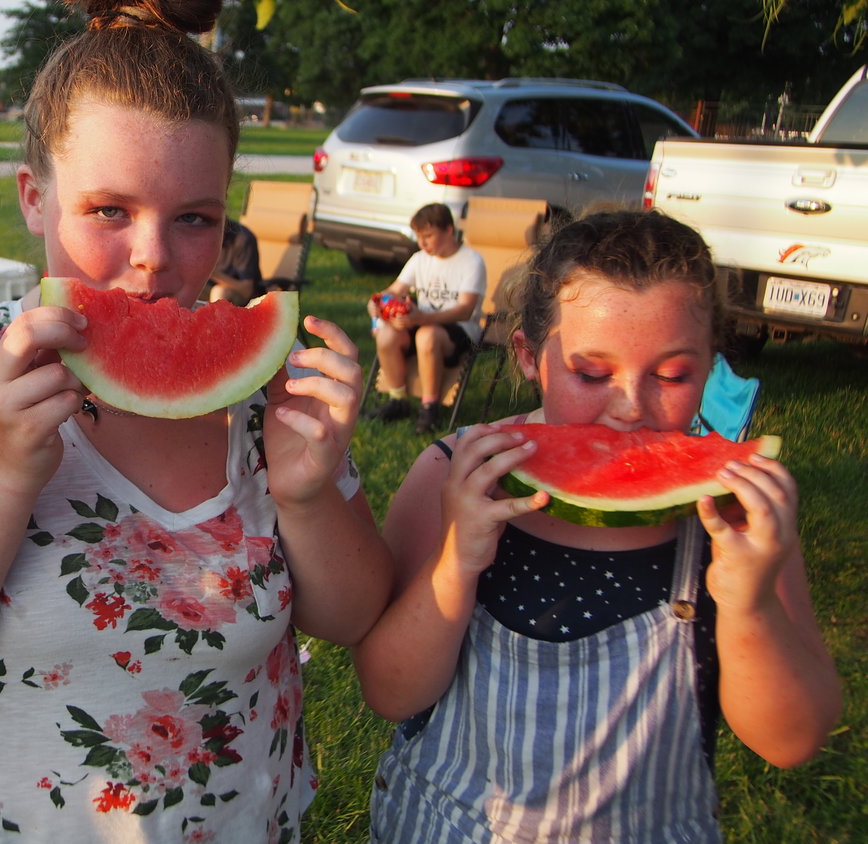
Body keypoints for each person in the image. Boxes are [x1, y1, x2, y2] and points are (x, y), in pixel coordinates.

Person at [0, 0, 393, 839]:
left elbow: (350, 620)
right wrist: (1, 473)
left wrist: (310, 494)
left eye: (195, 219)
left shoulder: (270, 391)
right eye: (109, 210)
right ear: (34, 199)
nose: (153, 256)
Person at [352, 210, 841, 842]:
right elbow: (389, 693)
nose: (631, 406)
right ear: (529, 357)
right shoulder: (453, 478)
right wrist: (457, 561)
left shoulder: (736, 516)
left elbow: (791, 739)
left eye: (672, 375)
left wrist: (749, 602)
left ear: (711, 364)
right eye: (592, 373)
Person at [363, 202, 487, 434]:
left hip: (459, 329)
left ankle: (430, 408)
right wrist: (378, 302)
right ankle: (397, 400)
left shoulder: (471, 261)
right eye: (419, 237)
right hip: (421, 321)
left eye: (428, 236)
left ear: (449, 230)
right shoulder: (420, 259)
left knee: (426, 335)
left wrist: (421, 319)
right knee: (388, 334)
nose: (422, 243)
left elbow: (465, 310)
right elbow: (394, 290)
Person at [205, 217, 265, 305]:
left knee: (219, 292)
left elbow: (246, 291)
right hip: (207, 288)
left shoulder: (242, 239)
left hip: (239, 295)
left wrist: (210, 272)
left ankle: (214, 318)